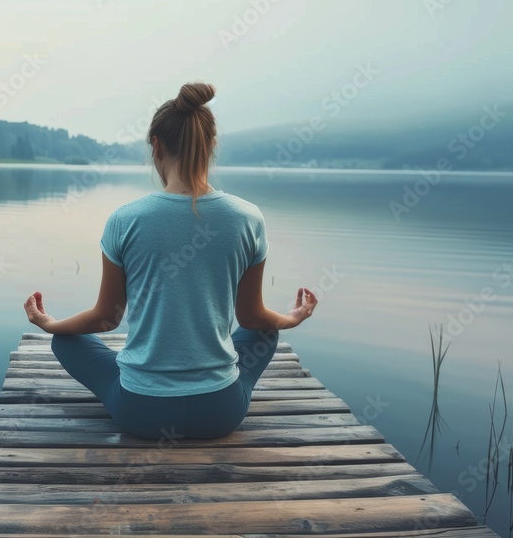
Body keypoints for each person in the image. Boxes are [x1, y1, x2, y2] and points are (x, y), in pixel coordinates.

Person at [21, 82, 318, 440]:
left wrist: (50, 325)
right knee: (266, 329)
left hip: (141, 413)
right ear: (211, 147)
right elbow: (252, 318)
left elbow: (105, 318)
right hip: (220, 413)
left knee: (66, 340)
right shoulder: (247, 218)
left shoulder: (125, 219)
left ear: (157, 147)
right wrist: (292, 318)